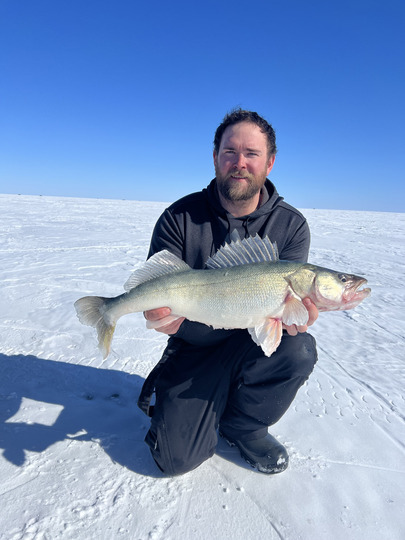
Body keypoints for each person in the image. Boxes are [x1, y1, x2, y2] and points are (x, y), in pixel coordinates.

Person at [138, 109, 319, 476]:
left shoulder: (291, 225)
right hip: (192, 342)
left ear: (269, 163)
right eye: (230, 152)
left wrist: (295, 315)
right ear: (216, 158)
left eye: (251, 154)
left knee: (298, 348)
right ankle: (170, 394)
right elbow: (156, 284)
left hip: (251, 341)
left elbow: (279, 315)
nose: (240, 163)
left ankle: (243, 425)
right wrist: (166, 320)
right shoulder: (179, 217)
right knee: (175, 460)